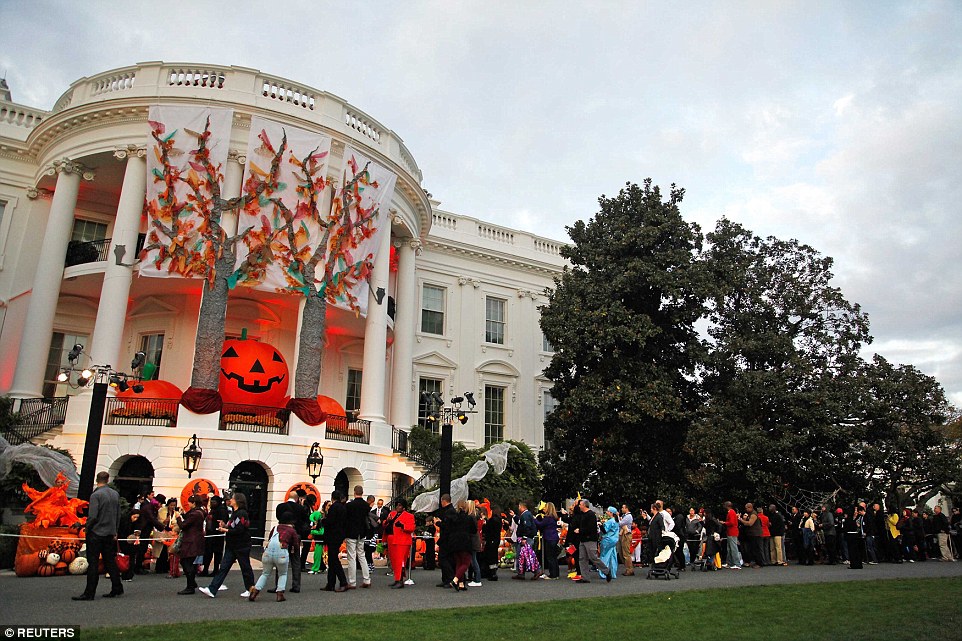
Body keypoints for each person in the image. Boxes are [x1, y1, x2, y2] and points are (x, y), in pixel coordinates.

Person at [73, 471, 124, 601]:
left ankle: (90, 592)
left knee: (93, 563)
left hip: (96, 533)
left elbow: (93, 516)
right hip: (110, 533)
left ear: (97, 479)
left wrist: (86, 527)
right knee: (110, 561)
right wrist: (115, 530)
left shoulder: (96, 495)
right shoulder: (115, 494)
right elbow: (118, 515)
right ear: (108, 479)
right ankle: (117, 587)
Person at [199, 492, 256, 598]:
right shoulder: (235, 513)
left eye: (233, 499)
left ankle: (250, 588)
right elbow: (233, 526)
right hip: (232, 545)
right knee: (224, 567)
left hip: (241, 545)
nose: (230, 500)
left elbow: (240, 529)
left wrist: (225, 529)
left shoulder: (242, 513)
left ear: (238, 501)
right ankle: (212, 589)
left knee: (245, 567)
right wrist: (225, 525)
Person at [250, 512, 299, 602]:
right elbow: (296, 543)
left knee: (265, 573)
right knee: (282, 574)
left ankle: (255, 592)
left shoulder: (275, 528)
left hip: (268, 552)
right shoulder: (291, 530)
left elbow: (269, 539)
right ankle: (280, 594)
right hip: (282, 553)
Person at [275, 489, 307, 593]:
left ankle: (278, 585)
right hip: (295, 535)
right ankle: (296, 585)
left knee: (280, 559)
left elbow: (278, 517)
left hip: (283, 535)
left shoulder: (280, 507)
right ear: (297, 498)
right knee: (296, 560)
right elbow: (305, 522)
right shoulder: (300, 509)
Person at [572, 499, 611, 583]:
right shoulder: (582, 515)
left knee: (593, 557)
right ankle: (585, 577)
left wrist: (580, 530)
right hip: (582, 540)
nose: (579, 506)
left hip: (590, 539)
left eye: (580, 504)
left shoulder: (591, 515)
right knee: (582, 558)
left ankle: (606, 571)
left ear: (584, 505)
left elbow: (591, 528)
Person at [175, 494, 206, 594]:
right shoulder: (199, 512)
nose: (188, 504)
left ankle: (190, 586)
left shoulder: (195, 514)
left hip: (191, 541)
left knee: (186, 562)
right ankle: (192, 582)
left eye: (190, 502)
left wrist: (178, 518)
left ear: (194, 503)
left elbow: (183, 525)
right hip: (195, 540)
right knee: (188, 562)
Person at [344, 485, 372, 589]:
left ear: (354, 492)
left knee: (351, 557)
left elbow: (347, 519)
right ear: (362, 492)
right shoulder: (366, 505)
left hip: (351, 533)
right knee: (361, 555)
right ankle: (366, 579)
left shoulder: (350, 505)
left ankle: (352, 582)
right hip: (362, 533)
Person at [384, 498, 415, 588]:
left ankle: (400, 580)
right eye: (397, 505)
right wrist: (387, 521)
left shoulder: (409, 516)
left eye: (400, 505)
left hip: (402, 542)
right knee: (394, 561)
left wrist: (402, 525)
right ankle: (397, 579)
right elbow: (384, 524)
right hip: (392, 540)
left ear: (404, 507)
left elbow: (411, 527)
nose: (398, 507)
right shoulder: (392, 514)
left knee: (400, 561)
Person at [322, 491, 348, 592]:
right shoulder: (343, 507)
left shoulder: (334, 507)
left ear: (332, 498)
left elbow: (330, 521)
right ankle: (331, 583)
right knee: (332, 561)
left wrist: (323, 521)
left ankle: (343, 582)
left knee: (334, 560)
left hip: (333, 535)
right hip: (339, 535)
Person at [449, 500, 477, 591]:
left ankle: (461, 584)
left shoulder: (454, 518)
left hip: (454, 543)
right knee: (466, 563)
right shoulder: (468, 518)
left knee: (458, 563)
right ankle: (455, 579)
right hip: (465, 542)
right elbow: (474, 530)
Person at [202, 495, 228, 576]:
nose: (212, 503)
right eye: (211, 502)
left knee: (217, 553)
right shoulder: (212, 510)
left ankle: (216, 570)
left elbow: (223, 522)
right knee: (207, 553)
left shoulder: (222, 510)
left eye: (214, 502)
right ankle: (205, 569)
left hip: (217, 534)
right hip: (210, 533)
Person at [436, 494, 457, 588]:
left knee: (444, 559)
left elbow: (447, 526)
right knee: (446, 559)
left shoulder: (450, 511)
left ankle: (449, 578)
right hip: (447, 539)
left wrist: (438, 523)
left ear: (444, 501)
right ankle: (445, 579)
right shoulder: (450, 511)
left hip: (447, 539)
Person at [536, 502, 561, 579]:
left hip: (549, 538)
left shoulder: (547, 518)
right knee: (554, 557)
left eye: (545, 507)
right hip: (554, 537)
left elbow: (540, 525)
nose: (544, 508)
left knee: (550, 557)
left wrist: (534, 519)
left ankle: (552, 574)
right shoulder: (554, 517)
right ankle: (556, 574)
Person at [598, 507, 619, 580]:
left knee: (604, 556)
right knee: (613, 556)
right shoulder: (616, 521)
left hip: (607, 540)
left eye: (608, 511)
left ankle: (603, 573)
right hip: (614, 539)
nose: (606, 512)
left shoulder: (610, 521)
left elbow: (604, 531)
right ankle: (613, 573)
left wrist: (600, 525)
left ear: (611, 513)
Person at [722, 501, 743, 569]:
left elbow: (732, 523)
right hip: (730, 532)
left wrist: (724, 523)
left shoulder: (731, 512)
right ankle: (730, 562)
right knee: (729, 548)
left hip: (732, 532)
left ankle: (737, 563)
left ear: (727, 506)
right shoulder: (731, 512)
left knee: (733, 548)